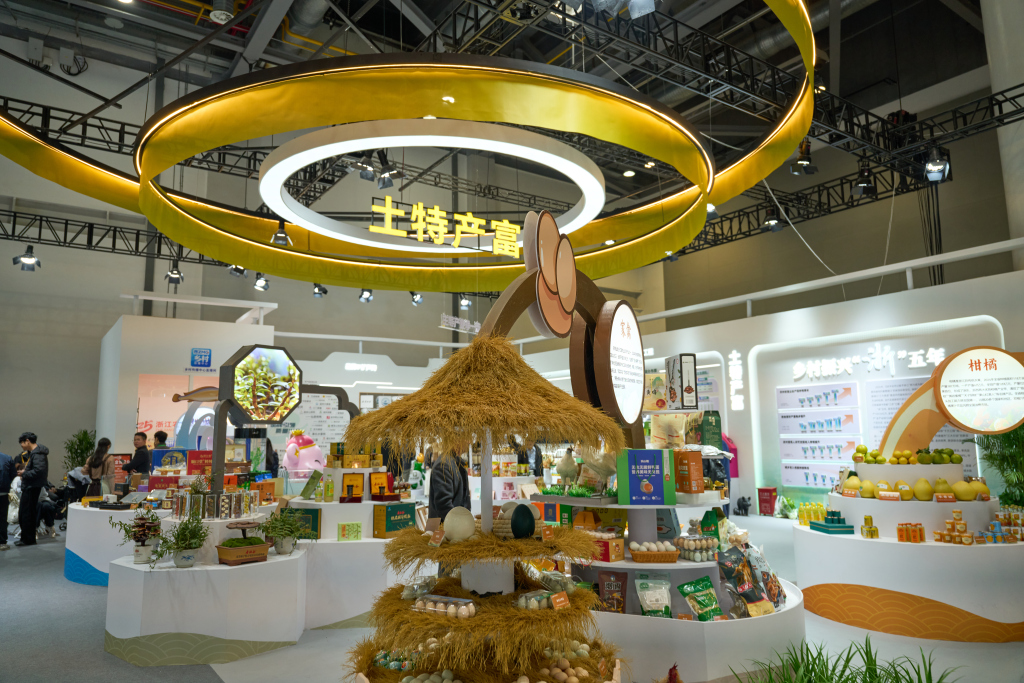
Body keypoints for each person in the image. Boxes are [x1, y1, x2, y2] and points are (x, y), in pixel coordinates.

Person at [15, 432, 48, 547]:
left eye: (22, 443)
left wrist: (24, 473)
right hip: (31, 486)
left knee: (27, 514)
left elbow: (39, 471)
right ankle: (27, 538)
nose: (22, 446)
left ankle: (28, 539)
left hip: (32, 486)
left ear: (27, 441)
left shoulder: (38, 454)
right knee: (26, 513)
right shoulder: (35, 453)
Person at [0, 444, 15, 551]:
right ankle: (2, 542)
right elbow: (13, 475)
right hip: (3, 493)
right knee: (2, 518)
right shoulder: (7, 458)